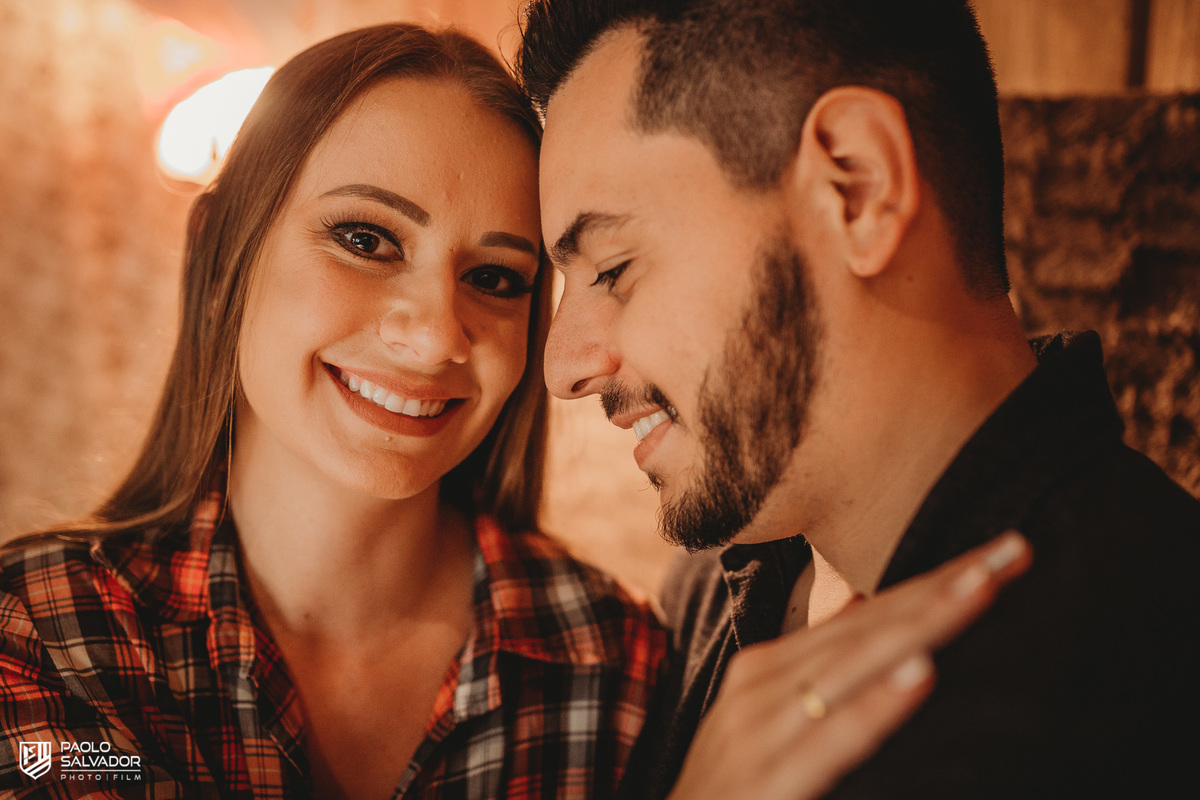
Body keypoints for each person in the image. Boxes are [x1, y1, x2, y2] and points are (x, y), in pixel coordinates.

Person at [0, 18, 1028, 800]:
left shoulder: (618, 661)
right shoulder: (48, 634)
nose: (433, 331)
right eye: (365, 238)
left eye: (497, 278)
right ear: (226, 251)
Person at [517, 0, 1200, 798]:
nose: (562, 368)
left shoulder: (1158, 672)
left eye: (611, 268)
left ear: (858, 185)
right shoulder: (712, 592)